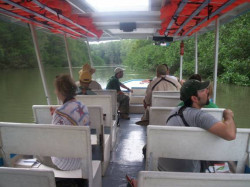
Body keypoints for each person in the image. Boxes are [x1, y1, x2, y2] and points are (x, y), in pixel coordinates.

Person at [158, 79, 236, 172]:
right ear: (194, 98)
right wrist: (228, 115)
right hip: (189, 171)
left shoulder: (175, 110)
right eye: (203, 91)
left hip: (165, 168)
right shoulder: (199, 116)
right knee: (228, 165)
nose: (207, 91)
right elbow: (230, 134)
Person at [48, 74, 90, 171]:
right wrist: (58, 112)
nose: (55, 92)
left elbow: (54, 139)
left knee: (38, 154)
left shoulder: (60, 112)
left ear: (60, 91)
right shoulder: (82, 105)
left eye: (56, 89)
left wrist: (58, 113)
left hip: (68, 163)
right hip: (84, 156)